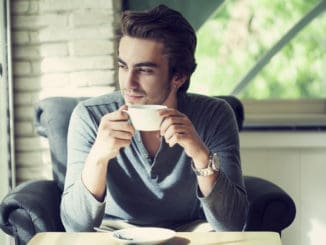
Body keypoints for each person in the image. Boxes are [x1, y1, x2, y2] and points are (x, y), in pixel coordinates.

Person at [60, 4, 248, 232]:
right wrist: (98, 157)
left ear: (178, 76)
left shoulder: (216, 115)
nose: (128, 84)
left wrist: (200, 154)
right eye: (123, 66)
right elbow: (75, 226)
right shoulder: (89, 117)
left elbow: (232, 224)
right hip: (114, 235)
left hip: (191, 233)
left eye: (145, 70)